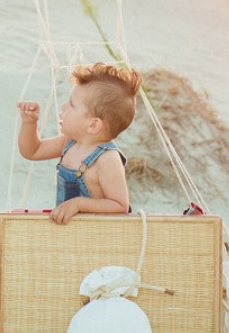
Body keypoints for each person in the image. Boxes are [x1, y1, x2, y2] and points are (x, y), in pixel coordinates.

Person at [16, 61, 143, 224]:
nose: (63, 107)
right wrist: (29, 123)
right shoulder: (69, 143)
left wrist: (78, 204)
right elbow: (32, 151)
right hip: (71, 233)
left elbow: (120, 205)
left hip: (98, 236)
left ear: (93, 125)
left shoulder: (107, 159)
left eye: (71, 104)